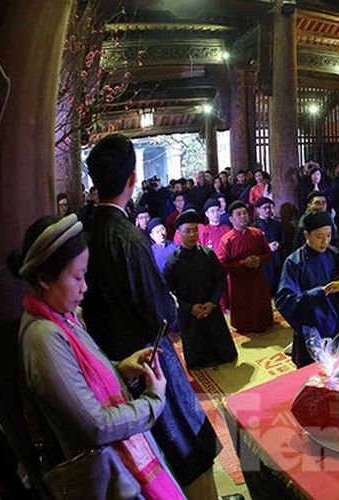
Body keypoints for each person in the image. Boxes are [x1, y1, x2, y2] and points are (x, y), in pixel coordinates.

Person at [81, 134, 219, 496]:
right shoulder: (128, 237)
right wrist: (170, 307)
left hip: (108, 362)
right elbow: (158, 313)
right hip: (147, 358)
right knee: (184, 444)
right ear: (132, 178)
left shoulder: (85, 229)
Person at [8, 214, 183, 497]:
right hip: (104, 475)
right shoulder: (43, 337)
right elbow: (96, 425)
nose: (84, 287)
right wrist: (153, 401)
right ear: (44, 280)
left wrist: (120, 368)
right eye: (77, 277)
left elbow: (79, 381)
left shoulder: (62, 317)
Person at [276, 211, 339, 368]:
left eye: (328, 235)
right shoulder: (294, 262)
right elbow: (284, 300)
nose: (325, 241)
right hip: (312, 325)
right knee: (314, 374)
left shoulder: (334, 254)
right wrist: (319, 292)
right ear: (306, 235)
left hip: (335, 320)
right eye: (319, 236)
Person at [164, 211, 239, 369]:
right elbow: (169, 293)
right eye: (187, 231)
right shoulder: (172, 262)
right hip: (189, 314)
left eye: (195, 230)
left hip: (211, 308)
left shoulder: (208, 254)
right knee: (197, 360)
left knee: (226, 355)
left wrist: (212, 302)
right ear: (178, 233)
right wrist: (189, 308)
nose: (192, 235)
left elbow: (220, 280)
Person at [216, 200, 274, 333]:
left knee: (260, 302)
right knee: (243, 306)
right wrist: (243, 263)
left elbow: (269, 254)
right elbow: (221, 264)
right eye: (238, 214)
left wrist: (259, 259)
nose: (243, 216)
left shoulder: (257, 234)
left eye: (245, 213)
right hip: (238, 281)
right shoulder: (227, 239)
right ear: (231, 219)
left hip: (257, 277)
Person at [251, 197, 285, 295]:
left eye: (269, 207)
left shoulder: (276, 224)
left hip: (277, 258)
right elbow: (253, 245)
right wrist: (267, 246)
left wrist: (279, 244)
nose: (267, 210)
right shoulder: (254, 227)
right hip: (264, 261)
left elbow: (283, 238)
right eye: (264, 208)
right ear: (258, 210)